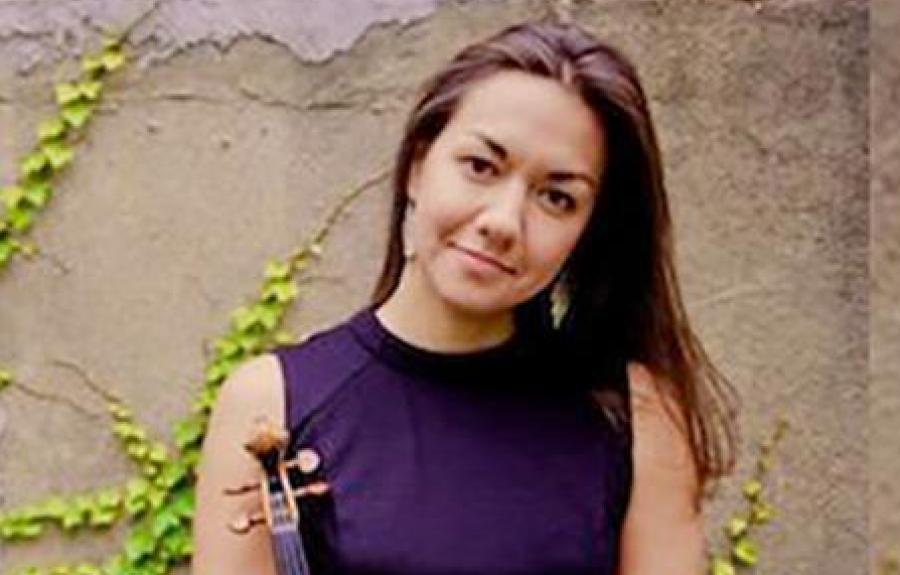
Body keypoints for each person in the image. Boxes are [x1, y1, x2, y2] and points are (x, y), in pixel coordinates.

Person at [192, 18, 739, 575]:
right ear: (417, 165)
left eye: (556, 197)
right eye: (481, 166)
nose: (504, 221)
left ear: (589, 229)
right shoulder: (273, 402)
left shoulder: (635, 416)